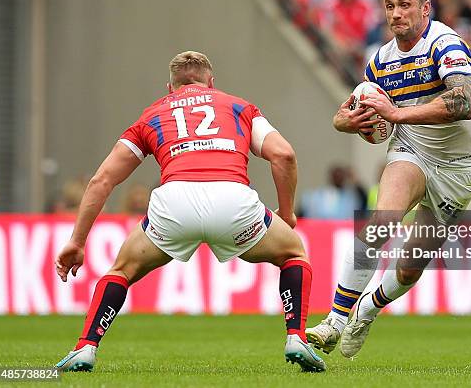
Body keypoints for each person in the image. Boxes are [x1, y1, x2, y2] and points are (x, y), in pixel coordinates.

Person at [54, 51, 326, 372]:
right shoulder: (239, 106)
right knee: (293, 253)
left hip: (174, 203)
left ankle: (86, 347)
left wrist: (78, 241)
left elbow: (102, 180)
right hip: (232, 200)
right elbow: (284, 155)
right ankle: (296, 337)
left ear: (170, 87)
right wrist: (287, 212)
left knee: (121, 271)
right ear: (212, 83)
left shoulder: (152, 114)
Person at [306, 0, 471, 358]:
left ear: (425, 8)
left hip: (459, 168)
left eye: (405, 5)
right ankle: (335, 321)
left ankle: (367, 310)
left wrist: (397, 113)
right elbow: (354, 109)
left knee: (408, 270)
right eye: (389, 6)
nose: (396, 13)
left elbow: (463, 103)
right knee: (382, 220)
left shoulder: (445, 44)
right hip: (412, 152)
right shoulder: (381, 60)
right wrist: (345, 122)